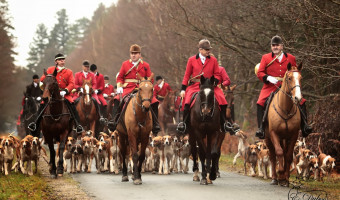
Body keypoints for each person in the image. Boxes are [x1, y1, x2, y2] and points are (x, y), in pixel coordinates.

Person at [255, 35, 312, 139]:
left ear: (282, 46)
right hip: (271, 86)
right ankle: (261, 129)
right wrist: (268, 78)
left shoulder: (291, 58)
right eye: (273, 45)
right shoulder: (266, 57)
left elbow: (295, 70)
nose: (275, 47)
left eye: (277, 45)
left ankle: (305, 126)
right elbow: (260, 73)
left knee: (302, 101)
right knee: (260, 102)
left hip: (287, 86)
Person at [176, 39, 238, 135]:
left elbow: (217, 74)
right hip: (196, 86)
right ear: (200, 50)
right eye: (206, 49)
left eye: (209, 49)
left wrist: (215, 82)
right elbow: (186, 76)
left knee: (222, 99)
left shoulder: (213, 60)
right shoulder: (191, 60)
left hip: (210, 86)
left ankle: (224, 123)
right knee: (187, 100)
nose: (209, 51)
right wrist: (183, 89)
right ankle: (183, 123)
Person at [107, 44, 161, 136]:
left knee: (154, 101)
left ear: (140, 54)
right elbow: (120, 77)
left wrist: (145, 84)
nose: (133, 55)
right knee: (117, 99)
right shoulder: (125, 64)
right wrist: (120, 86)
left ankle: (155, 124)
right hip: (128, 88)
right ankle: (114, 121)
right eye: (132, 53)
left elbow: (150, 79)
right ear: (130, 54)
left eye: (136, 53)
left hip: (142, 89)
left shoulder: (145, 65)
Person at [28, 53, 84, 133]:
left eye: (63, 59)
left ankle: (78, 125)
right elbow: (43, 79)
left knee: (72, 105)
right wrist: (43, 85)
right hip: (51, 94)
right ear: (56, 62)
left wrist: (65, 90)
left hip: (64, 93)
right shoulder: (50, 69)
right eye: (60, 60)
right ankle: (35, 124)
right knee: (42, 104)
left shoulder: (69, 71)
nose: (62, 61)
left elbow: (72, 84)